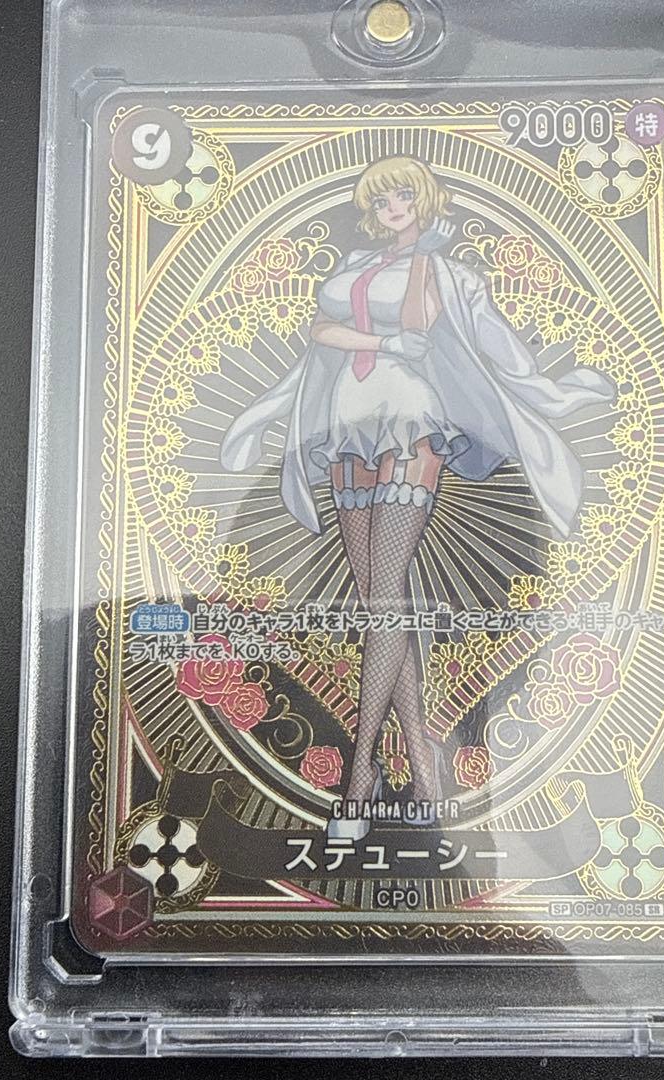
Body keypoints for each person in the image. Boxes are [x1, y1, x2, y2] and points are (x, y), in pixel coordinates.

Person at [221, 156, 615, 838]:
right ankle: (425, 763)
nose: (393, 206)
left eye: (404, 194)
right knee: (383, 597)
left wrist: (556, 392)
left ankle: (360, 774)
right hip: (346, 424)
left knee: (383, 596)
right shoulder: (353, 265)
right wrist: (376, 340)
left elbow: (476, 345)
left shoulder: (449, 274)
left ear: (424, 199)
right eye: (383, 198)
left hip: (409, 418)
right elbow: (320, 333)